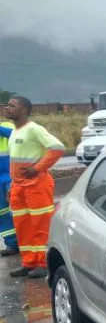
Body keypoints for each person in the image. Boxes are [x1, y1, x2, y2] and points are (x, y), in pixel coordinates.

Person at [5, 96, 65, 278]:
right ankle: (29, 262)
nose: (7, 108)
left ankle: (43, 263)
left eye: (11, 106)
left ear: (23, 110)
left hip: (36, 185)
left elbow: (58, 147)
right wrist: (13, 184)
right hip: (19, 187)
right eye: (7, 105)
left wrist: (37, 168)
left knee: (40, 225)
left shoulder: (34, 129)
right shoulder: (15, 132)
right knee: (23, 226)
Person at [0, 117, 18, 257]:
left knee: (19, 211)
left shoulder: (6, 126)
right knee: (3, 213)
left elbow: (17, 135)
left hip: (12, 178)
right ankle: (11, 244)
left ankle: (27, 245)